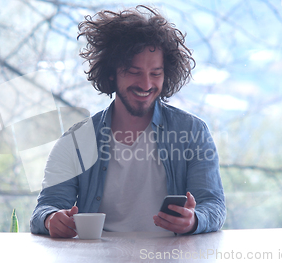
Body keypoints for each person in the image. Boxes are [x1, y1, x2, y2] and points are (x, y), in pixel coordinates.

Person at [30, 5, 225, 238]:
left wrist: (194, 220)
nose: (145, 84)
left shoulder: (192, 131)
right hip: (98, 256)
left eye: (155, 73)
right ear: (112, 72)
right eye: (134, 71)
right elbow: (45, 208)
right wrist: (52, 219)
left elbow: (213, 205)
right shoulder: (76, 141)